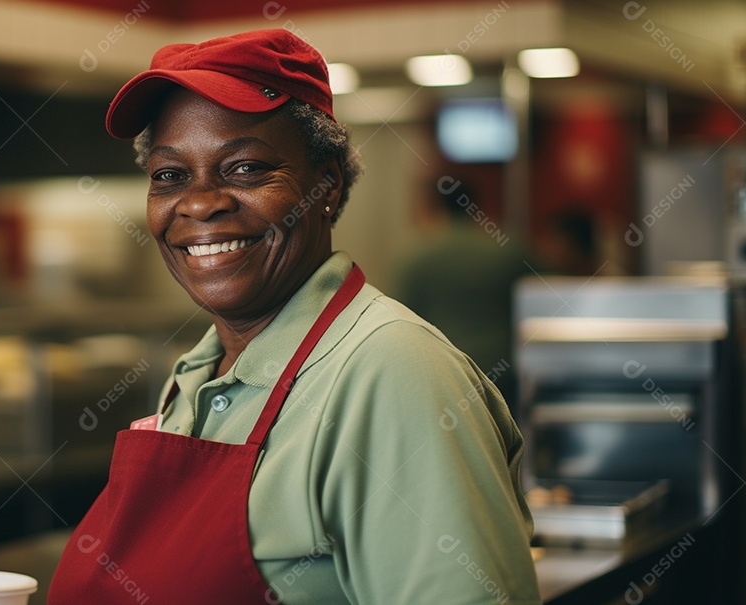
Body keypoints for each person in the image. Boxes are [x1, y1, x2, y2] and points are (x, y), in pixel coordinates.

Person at [49, 30, 540, 604]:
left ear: (326, 183)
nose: (201, 202)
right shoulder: (195, 375)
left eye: (246, 168)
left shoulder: (392, 373)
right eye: (170, 175)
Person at [393, 178, 534, 410]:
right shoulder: (508, 249)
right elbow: (550, 285)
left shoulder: (415, 256)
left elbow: (400, 323)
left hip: (442, 374)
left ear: (432, 204)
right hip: (503, 374)